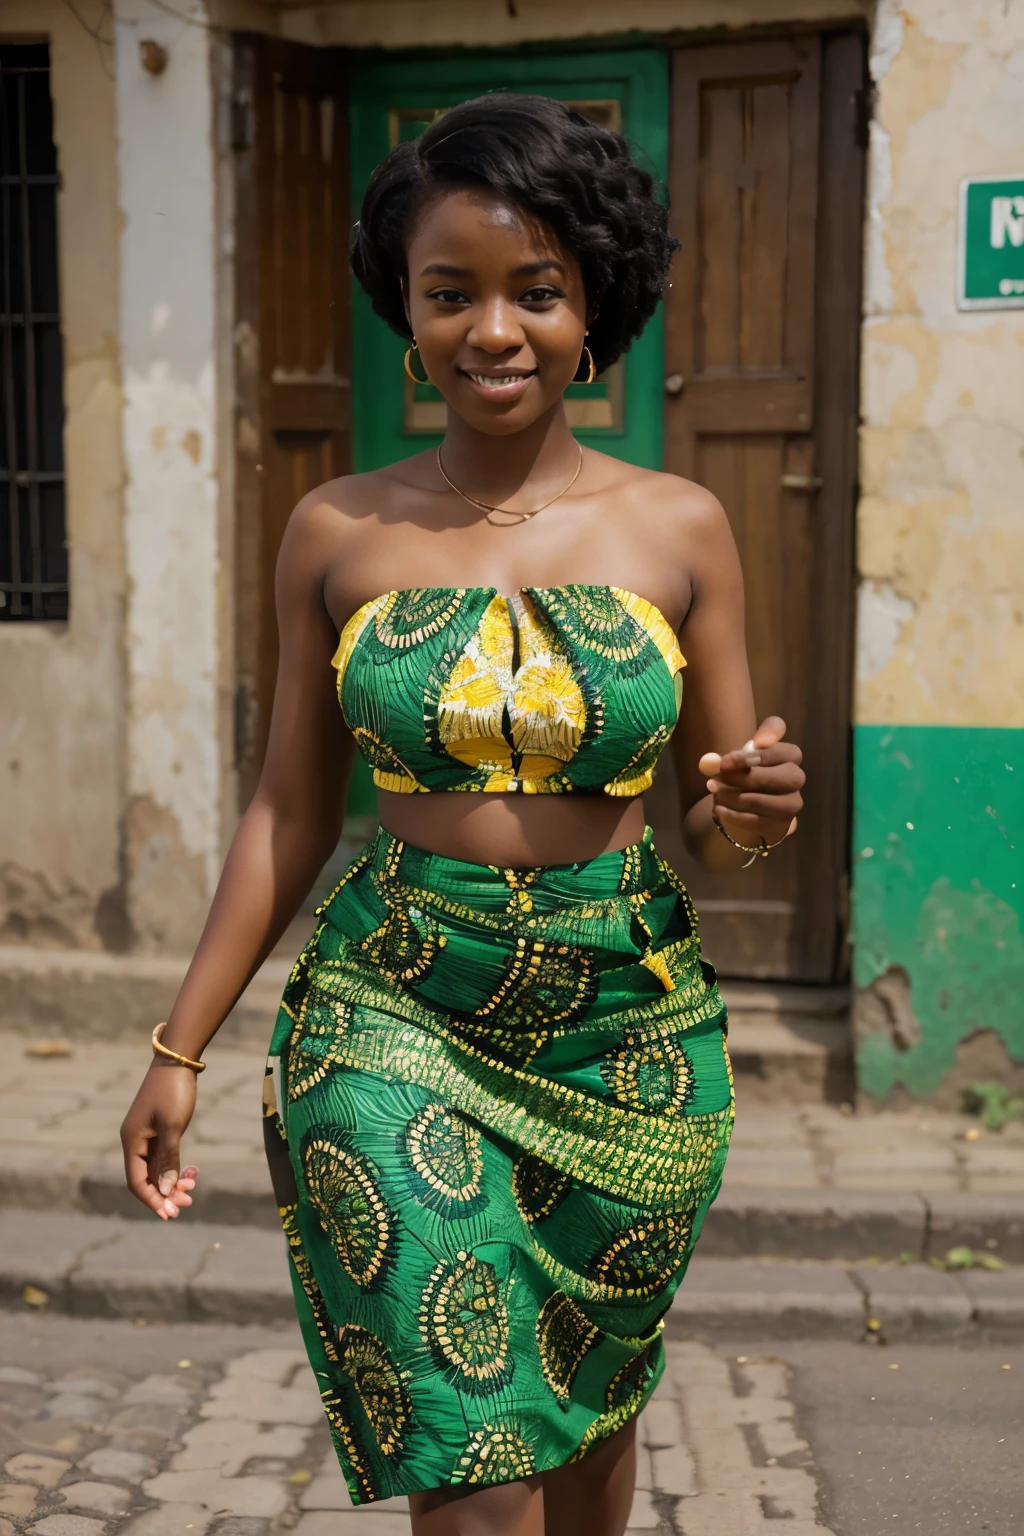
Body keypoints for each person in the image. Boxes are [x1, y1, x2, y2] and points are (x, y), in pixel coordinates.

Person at [121, 93, 804, 1536]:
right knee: (472, 1454)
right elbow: (287, 813)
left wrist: (757, 807)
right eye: (453, 294)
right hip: (395, 1010)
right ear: (407, 313)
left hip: (626, 1029)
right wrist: (178, 1047)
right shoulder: (337, 529)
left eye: (535, 291)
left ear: (591, 304)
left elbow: (722, 828)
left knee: (586, 1417)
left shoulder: (680, 526)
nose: (494, 329)